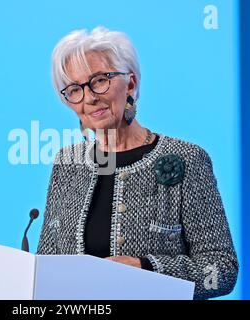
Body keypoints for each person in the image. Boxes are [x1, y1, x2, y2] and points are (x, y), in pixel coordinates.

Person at [36, 27, 238, 299]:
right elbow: (47, 266)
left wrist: (146, 268)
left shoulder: (187, 159)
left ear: (130, 83)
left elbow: (222, 271)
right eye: (74, 89)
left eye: (99, 80)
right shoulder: (67, 163)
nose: (89, 97)